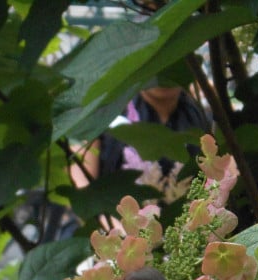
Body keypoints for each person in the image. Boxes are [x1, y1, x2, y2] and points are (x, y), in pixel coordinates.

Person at [71, 83, 213, 205]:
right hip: (113, 227)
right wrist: (110, 227)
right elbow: (81, 185)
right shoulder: (101, 113)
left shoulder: (202, 121)